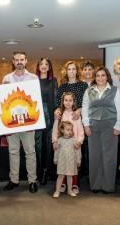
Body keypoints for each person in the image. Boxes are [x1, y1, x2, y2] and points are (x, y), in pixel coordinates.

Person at [82, 66, 120, 194]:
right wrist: (86, 125)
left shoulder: (114, 90)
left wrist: (119, 126)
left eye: (103, 75)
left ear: (107, 77)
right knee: (94, 156)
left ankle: (108, 186)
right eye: (98, 76)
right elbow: (85, 108)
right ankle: (95, 185)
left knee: (109, 157)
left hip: (110, 127)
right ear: (94, 78)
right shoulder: (88, 91)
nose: (100, 78)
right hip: (93, 127)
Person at [2, 51, 39, 193]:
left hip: (29, 121)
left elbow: (36, 100)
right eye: (16, 59)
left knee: (30, 152)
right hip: (12, 121)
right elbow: (3, 102)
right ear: (12, 61)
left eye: (22, 59)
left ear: (26, 61)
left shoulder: (33, 78)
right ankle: (14, 180)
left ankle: (32, 181)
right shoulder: (6, 78)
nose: (19, 62)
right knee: (13, 152)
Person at [54, 61, 87, 192]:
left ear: (77, 71)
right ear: (66, 71)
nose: (71, 71)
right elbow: (57, 104)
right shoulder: (62, 87)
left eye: (74, 69)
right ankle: (62, 182)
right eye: (69, 69)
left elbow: (87, 103)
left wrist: (80, 110)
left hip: (77, 121)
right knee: (62, 155)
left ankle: (74, 182)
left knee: (76, 153)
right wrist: (56, 111)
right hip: (63, 123)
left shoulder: (84, 85)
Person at [52, 92, 84, 195]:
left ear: (74, 101)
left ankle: (74, 184)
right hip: (62, 145)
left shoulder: (76, 115)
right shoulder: (59, 114)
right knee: (62, 165)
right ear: (62, 101)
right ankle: (62, 183)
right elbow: (55, 129)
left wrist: (79, 141)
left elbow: (81, 131)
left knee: (74, 166)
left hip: (73, 145)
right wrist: (54, 141)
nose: (68, 102)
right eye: (66, 100)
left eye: (70, 100)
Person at [34, 57, 58, 186]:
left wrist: (56, 112)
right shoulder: (32, 80)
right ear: (38, 67)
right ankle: (38, 171)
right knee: (37, 144)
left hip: (48, 114)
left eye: (46, 64)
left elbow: (55, 99)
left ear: (49, 67)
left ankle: (46, 171)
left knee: (47, 143)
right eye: (41, 63)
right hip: (35, 115)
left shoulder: (53, 81)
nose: (43, 66)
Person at [53, 121, 82, 198]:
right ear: (62, 130)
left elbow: (77, 150)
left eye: (71, 130)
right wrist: (55, 159)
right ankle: (57, 191)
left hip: (71, 162)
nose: (70, 132)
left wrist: (78, 160)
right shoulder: (60, 140)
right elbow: (56, 150)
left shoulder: (73, 140)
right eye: (68, 130)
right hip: (62, 162)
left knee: (69, 176)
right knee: (60, 176)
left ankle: (69, 190)